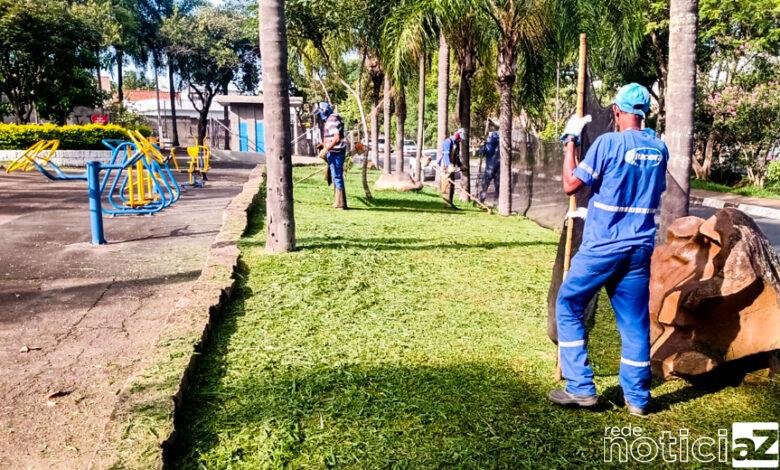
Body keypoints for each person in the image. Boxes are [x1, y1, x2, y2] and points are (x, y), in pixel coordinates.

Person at [548, 83, 668, 416]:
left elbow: (570, 184)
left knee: (569, 303)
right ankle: (638, 399)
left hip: (603, 246)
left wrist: (570, 140)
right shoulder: (660, 148)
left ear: (617, 110)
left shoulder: (607, 143)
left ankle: (581, 388)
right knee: (633, 323)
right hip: (639, 248)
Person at [316, 102, 348, 209]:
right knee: (335, 176)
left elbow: (337, 138)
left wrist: (326, 149)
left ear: (324, 111)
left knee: (337, 176)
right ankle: (339, 201)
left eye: (319, 113)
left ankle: (340, 204)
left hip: (336, 152)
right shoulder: (333, 119)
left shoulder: (331, 120)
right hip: (334, 151)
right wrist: (323, 145)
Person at [437, 128, 464, 207]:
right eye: (460, 139)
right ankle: (445, 203)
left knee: (452, 184)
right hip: (445, 165)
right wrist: (449, 165)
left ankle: (450, 202)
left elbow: (457, 156)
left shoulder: (457, 143)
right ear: (457, 136)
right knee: (446, 184)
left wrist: (460, 165)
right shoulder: (447, 142)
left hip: (452, 165)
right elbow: (445, 154)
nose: (461, 140)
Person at [477, 130, 500, 202]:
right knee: (486, 186)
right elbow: (481, 153)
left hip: (495, 170)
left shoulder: (491, 145)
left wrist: (482, 148)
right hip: (491, 170)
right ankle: (483, 199)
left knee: (495, 187)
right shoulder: (489, 145)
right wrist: (482, 148)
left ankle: (494, 201)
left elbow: (481, 153)